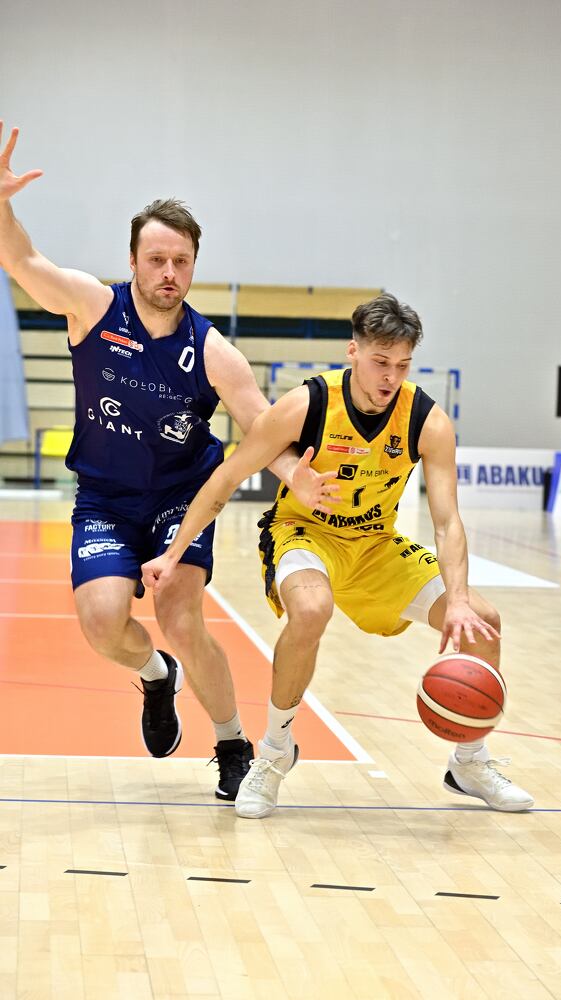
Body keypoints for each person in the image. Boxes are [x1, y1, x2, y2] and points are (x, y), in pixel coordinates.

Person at [0, 122, 332, 800]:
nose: (168, 272)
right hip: (104, 499)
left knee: (181, 617)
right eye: (156, 259)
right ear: (133, 261)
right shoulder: (92, 307)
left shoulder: (211, 350)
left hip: (181, 498)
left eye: (180, 260)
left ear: (193, 266)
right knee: (101, 623)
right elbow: (23, 262)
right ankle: (157, 676)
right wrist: (2, 206)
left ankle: (232, 742)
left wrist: (293, 472)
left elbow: (260, 423)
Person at [142, 292, 534, 818]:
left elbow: (446, 521)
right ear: (354, 351)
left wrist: (459, 598)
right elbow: (227, 477)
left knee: (483, 622)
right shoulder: (306, 405)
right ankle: (274, 754)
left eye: (402, 365)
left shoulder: (427, 420)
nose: (390, 377)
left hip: (375, 546)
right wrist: (173, 553)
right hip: (304, 534)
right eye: (380, 362)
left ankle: (470, 762)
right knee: (311, 609)